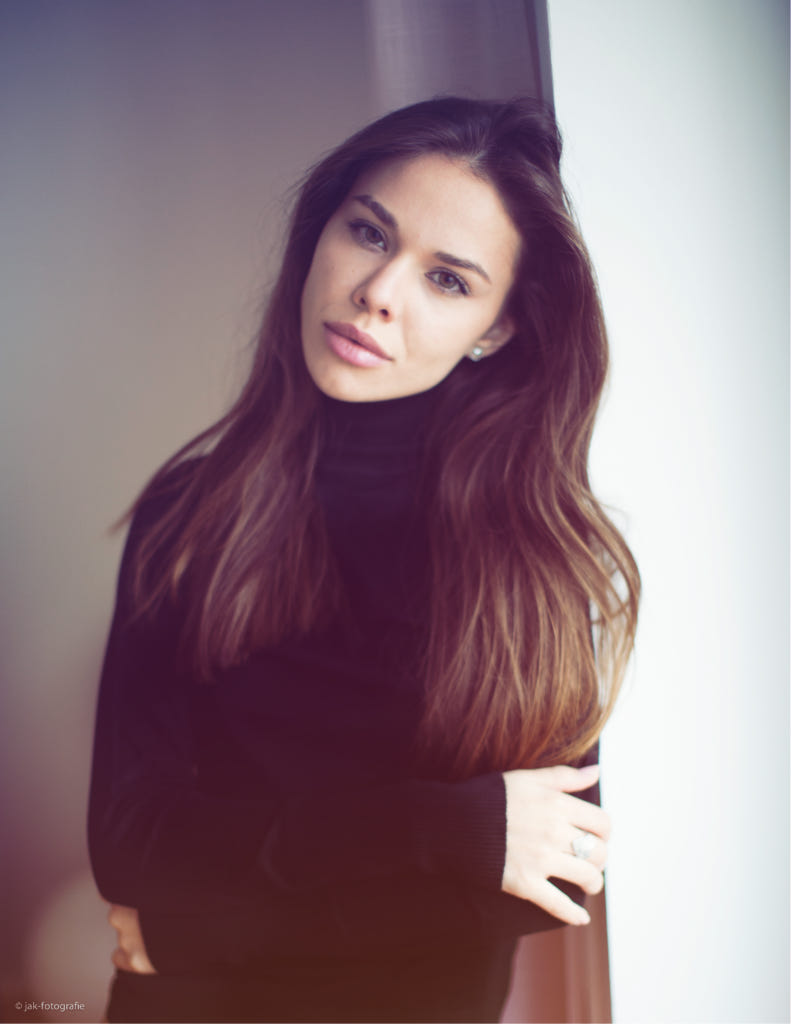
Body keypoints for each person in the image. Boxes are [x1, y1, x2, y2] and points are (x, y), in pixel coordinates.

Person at [88, 96, 640, 1023]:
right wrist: (439, 828)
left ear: (498, 327)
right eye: (369, 233)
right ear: (321, 234)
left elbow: (542, 886)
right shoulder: (192, 512)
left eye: (448, 280)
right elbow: (131, 845)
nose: (379, 291)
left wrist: (200, 932)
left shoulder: (535, 558)